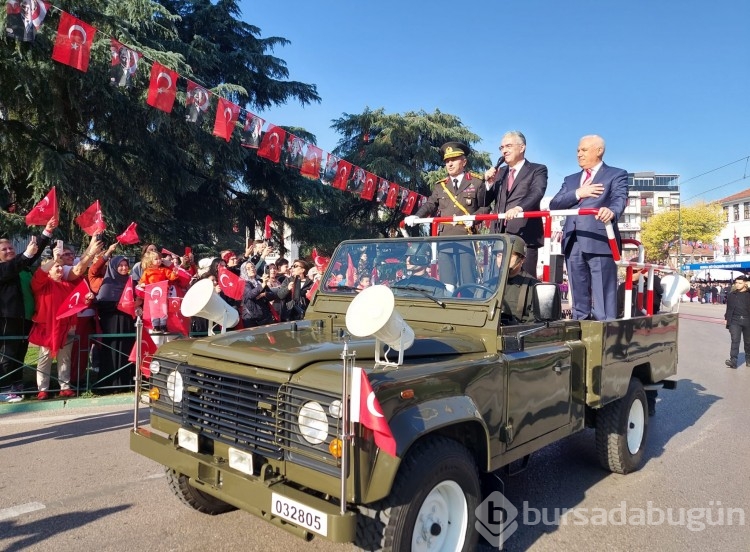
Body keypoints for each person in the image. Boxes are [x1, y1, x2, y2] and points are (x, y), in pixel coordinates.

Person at [549, 135, 628, 320]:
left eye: (584, 150)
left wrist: (611, 211)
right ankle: (580, 331)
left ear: (599, 151)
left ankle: (605, 336)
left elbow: (619, 199)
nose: (579, 154)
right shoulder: (571, 180)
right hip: (572, 241)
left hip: (599, 239)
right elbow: (555, 204)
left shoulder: (616, 174)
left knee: (603, 296)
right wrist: (578, 193)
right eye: (578, 150)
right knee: (578, 295)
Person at [30, 236, 102, 400]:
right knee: (44, 359)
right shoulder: (41, 283)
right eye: (57, 267)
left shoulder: (68, 285)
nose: (60, 270)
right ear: (49, 269)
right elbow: (41, 273)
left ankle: (65, 386)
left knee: (65, 359)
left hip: (67, 326)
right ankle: (43, 389)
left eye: (61, 268)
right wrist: (54, 260)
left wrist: (87, 299)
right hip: (47, 328)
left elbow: (76, 302)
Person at [405, 141, 483, 287]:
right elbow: (430, 204)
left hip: (466, 238)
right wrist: (417, 216)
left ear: (464, 161)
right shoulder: (440, 186)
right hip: (445, 239)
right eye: (447, 161)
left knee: (468, 283)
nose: (450, 164)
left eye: (453, 160)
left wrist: (473, 220)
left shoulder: (476, 183)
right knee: (447, 284)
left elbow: (485, 208)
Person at [0, 217, 56, 402]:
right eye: (4, 249)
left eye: (10, 248)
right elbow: (21, 261)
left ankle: (16, 384)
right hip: (8, 317)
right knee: (7, 353)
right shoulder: (4, 268)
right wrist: (25, 256)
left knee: (20, 353)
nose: (9, 251)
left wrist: (46, 232)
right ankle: (4, 388)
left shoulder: (18, 265)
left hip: (24, 317)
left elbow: (31, 253)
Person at [478, 131, 548, 276]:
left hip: (525, 234)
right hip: (500, 235)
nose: (504, 150)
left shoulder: (537, 169)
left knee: (525, 281)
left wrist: (519, 208)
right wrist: (487, 183)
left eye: (508, 146)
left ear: (522, 148)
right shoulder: (500, 172)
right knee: (498, 282)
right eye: (501, 147)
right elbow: (483, 201)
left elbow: (537, 193)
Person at [89, 244, 135, 390]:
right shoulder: (106, 283)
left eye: (125, 265)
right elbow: (102, 304)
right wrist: (108, 252)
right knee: (112, 350)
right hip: (112, 325)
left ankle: (126, 382)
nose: (123, 268)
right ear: (114, 267)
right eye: (120, 265)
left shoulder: (130, 282)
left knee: (127, 350)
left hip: (127, 323)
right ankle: (110, 383)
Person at [496, 237, 540, 325]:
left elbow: (534, 327)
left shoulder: (534, 287)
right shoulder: (489, 285)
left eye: (509, 255)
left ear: (522, 259)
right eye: (499, 255)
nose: (502, 259)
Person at [138, 250, 179, 333]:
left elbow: (171, 277)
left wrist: (174, 272)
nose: (159, 260)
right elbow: (142, 281)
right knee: (154, 310)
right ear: (150, 261)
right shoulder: (147, 272)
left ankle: (163, 325)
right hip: (152, 295)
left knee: (163, 309)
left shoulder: (163, 270)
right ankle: (156, 326)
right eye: (156, 259)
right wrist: (142, 284)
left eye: (159, 258)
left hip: (163, 294)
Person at [724, 274, 750, 369]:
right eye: (736, 283)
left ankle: (748, 359)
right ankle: (733, 361)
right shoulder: (732, 295)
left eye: (740, 283)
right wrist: (727, 319)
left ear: (745, 283)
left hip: (748, 320)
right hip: (735, 320)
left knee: (748, 342)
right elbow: (728, 309)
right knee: (735, 341)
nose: (737, 285)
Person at [239, 261, 275, 327]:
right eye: (248, 268)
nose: (252, 269)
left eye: (252, 267)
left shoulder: (259, 281)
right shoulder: (243, 283)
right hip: (251, 318)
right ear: (244, 271)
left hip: (264, 316)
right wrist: (262, 285)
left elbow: (272, 295)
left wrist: (264, 294)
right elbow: (250, 294)